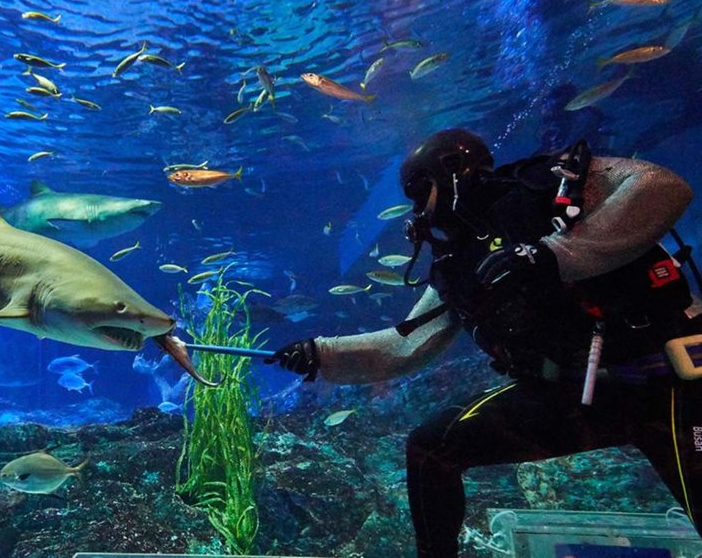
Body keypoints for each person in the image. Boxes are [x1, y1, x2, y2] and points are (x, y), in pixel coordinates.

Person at [267, 129, 702, 557]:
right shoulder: (458, 261)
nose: (417, 209)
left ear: (453, 170)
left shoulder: (545, 186)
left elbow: (663, 186)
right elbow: (407, 344)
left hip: (669, 383)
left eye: (420, 191)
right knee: (432, 447)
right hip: (569, 395)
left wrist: (552, 254)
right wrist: (320, 353)